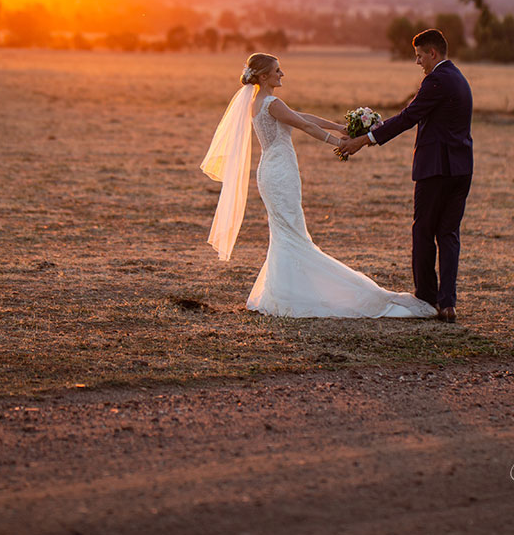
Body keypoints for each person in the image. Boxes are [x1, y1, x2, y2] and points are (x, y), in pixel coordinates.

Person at [201, 53, 437, 318]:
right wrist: (339, 144)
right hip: (279, 173)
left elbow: (304, 116)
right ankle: (295, 292)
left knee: (286, 232)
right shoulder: (271, 103)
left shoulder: (261, 102)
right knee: (290, 233)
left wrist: (339, 127)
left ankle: (284, 290)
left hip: (273, 171)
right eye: (277, 70)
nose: (282, 74)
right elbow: (302, 125)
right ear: (264, 76)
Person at [337, 29, 473, 323]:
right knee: (448, 235)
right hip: (461, 170)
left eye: (419, 56)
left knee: (423, 232)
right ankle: (447, 303)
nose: (418, 62)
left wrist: (364, 140)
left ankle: (426, 296)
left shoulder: (435, 80)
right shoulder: (460, 79)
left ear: (432, 53)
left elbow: (409, 117)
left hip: (436, 170)